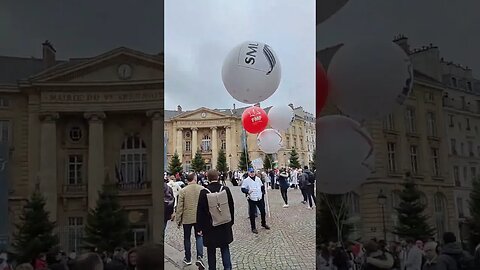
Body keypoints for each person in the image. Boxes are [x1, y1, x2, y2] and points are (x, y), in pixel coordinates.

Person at [197, 170, 235, 270]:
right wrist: (231, 222)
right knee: (225, 248)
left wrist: (200, 227)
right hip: (224, 224)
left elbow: (200, 211)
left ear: (207, 178)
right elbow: (231, 206)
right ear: (218, 177)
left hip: (210, 226)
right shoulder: (225, 189)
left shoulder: (204, 192)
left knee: (211, 251)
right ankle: (228, 268)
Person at [175, 173, 205, 266]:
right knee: (199, 236)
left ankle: (188, 258)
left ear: (187, 180)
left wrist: (178, 220)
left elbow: (179, 207)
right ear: (195, 178)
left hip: (187, 218)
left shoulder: (183, 191)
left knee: (187, 238)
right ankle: (200, 257)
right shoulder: (202, 189)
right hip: (199, 218)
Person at [241, 167, 271, 234]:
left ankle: (263, 223)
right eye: (251, 172)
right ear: (248, 173)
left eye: (253, 172)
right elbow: (243, 189)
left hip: (259, 197)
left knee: (263, 211)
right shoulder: (246, 180)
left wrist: (263, 192)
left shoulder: (258, 179)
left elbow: (261, 186)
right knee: (252, 214)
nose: (252, 173)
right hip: (252, 198)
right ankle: (253, 227)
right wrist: (247, 191)